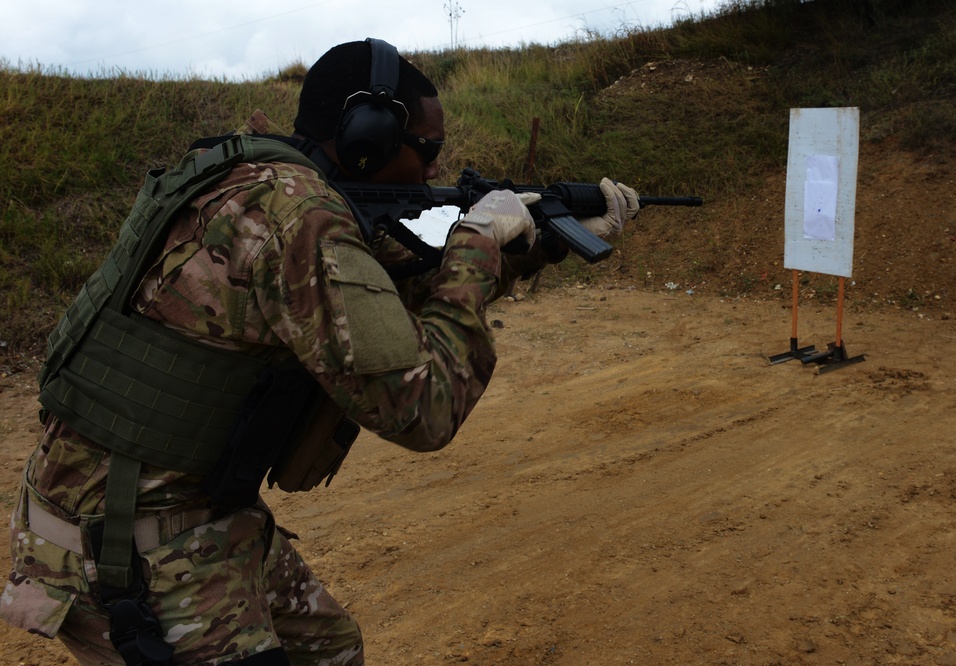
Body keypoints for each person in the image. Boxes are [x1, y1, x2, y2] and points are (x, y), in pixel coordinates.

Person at [0, 39, 640, 665]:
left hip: (179, 510)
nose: (436, 170)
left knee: (330, 648)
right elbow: (423, 405)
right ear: (368, 140)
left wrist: (540, 245)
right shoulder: (299, 218)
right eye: (429, 149)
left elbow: (392, 297)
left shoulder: (254, 175)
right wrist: (475, 242)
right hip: (131, 542)